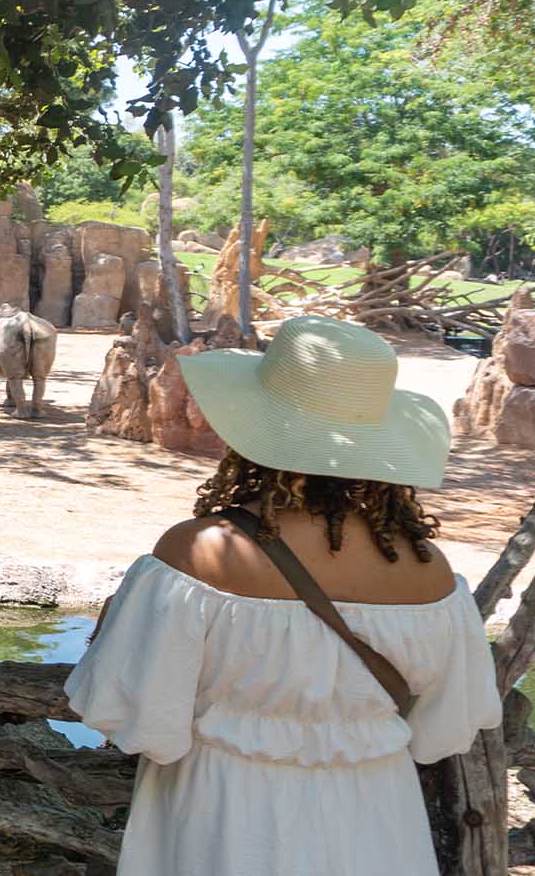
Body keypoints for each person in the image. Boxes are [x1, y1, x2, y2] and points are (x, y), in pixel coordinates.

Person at [66, 315, 501, 876]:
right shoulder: (431, 573)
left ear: (253, 435)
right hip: (377, 821)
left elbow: (138, 720)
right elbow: (443, 731)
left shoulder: (198, 554)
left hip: (225, 816)